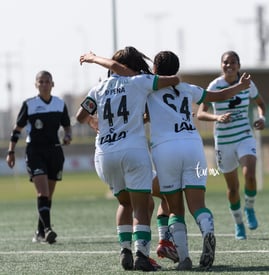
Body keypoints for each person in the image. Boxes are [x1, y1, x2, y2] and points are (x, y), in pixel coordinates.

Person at [79, 50, 251, 271]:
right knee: (197, 204)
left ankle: (184, 257)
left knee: (174, 207)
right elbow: (216, 97)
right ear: (176, 69)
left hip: (164, 149)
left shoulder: (147, 89)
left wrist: (95, 60)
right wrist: (239, 87)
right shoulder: (186, 88)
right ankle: (207, 230)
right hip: (193, 145)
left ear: (155, 70)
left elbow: (130, 108)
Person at [76, 46, 179, 271]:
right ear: (132, 66)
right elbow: (171, 80)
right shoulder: (138, 81)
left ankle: (125, 251)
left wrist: (94, 123)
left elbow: (80, 116)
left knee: (125, 203)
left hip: (104, 155)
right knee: (143, 205)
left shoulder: (98, 88)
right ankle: (142, 255)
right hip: (132, 152)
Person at [196, 51, 266, 240]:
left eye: (233, 62)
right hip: (224, 141)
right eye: (226, 62)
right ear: (221, 65)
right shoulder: (214, 86)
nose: (229, 65)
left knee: (250, 173)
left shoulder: (247, 84)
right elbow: (200, 113)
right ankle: (238, 223)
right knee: (233, 187)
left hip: (244, 135)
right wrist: (217, 117)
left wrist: (261, 117)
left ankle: (249, 208)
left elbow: (260, 103)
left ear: (239, 65)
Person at [6, 70, 72, 244]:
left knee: (48, 195)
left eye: (47, 81)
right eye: (40, 81)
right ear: (36, 84)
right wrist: (11, 152)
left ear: (53, 84)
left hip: (55, 152)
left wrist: (67, 136)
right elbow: (17, 130)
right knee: (42, 192)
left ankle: (40, 232)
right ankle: (48, 230)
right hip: (35, 152)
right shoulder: (29, 104)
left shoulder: (59, 104)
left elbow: (67, 127)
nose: (44, 84)